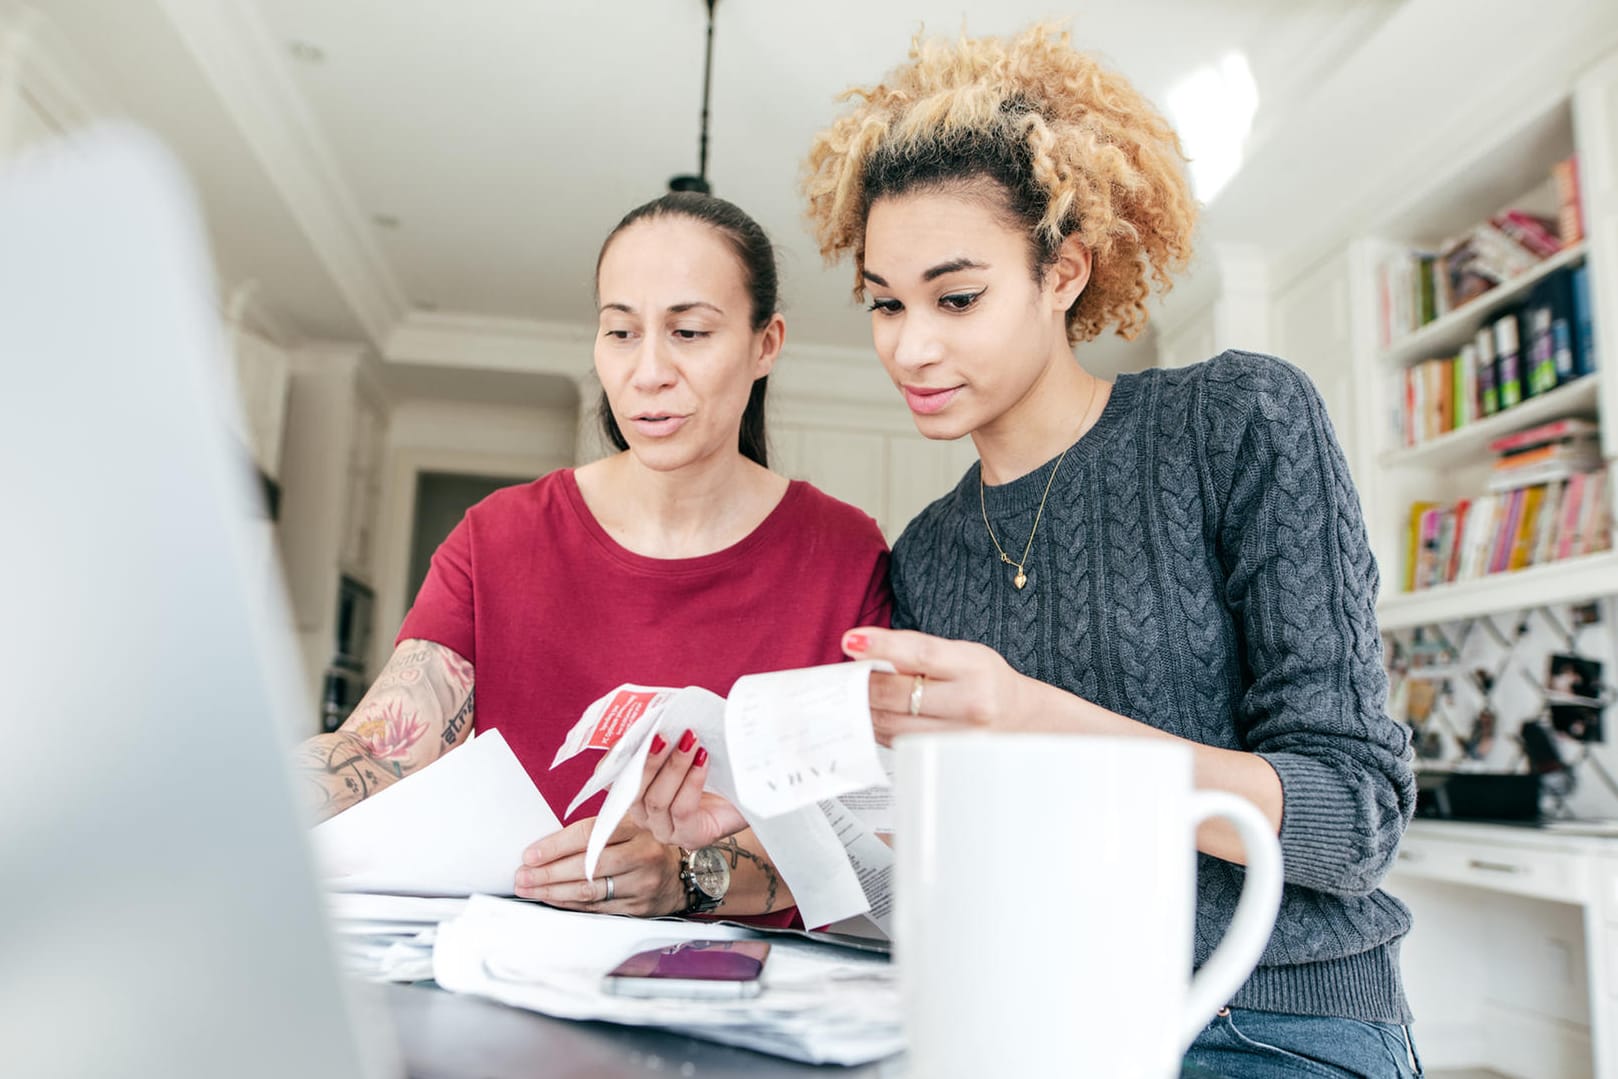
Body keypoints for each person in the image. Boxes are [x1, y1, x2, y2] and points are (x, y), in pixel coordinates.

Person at [643, 23, 1423, 1078]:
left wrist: (1031, 716)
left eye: (956, 297)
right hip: (1032, 1016)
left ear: (1062, 271)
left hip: (1274, 1018)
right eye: (883, 302)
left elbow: (1354, 816)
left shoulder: (1234, 420)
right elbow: (931, 861)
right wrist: (751, 831)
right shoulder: (927, 552)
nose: (909, 346)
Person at [297, 191, 892, 928]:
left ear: (765, 344)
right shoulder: (498, 538)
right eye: (620, 331)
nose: (648, 372)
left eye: (689, 331)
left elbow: (859, 841)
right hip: (514, 981)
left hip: (736, 1004)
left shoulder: (843, 555)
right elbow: (380, 752)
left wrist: (683, 878)